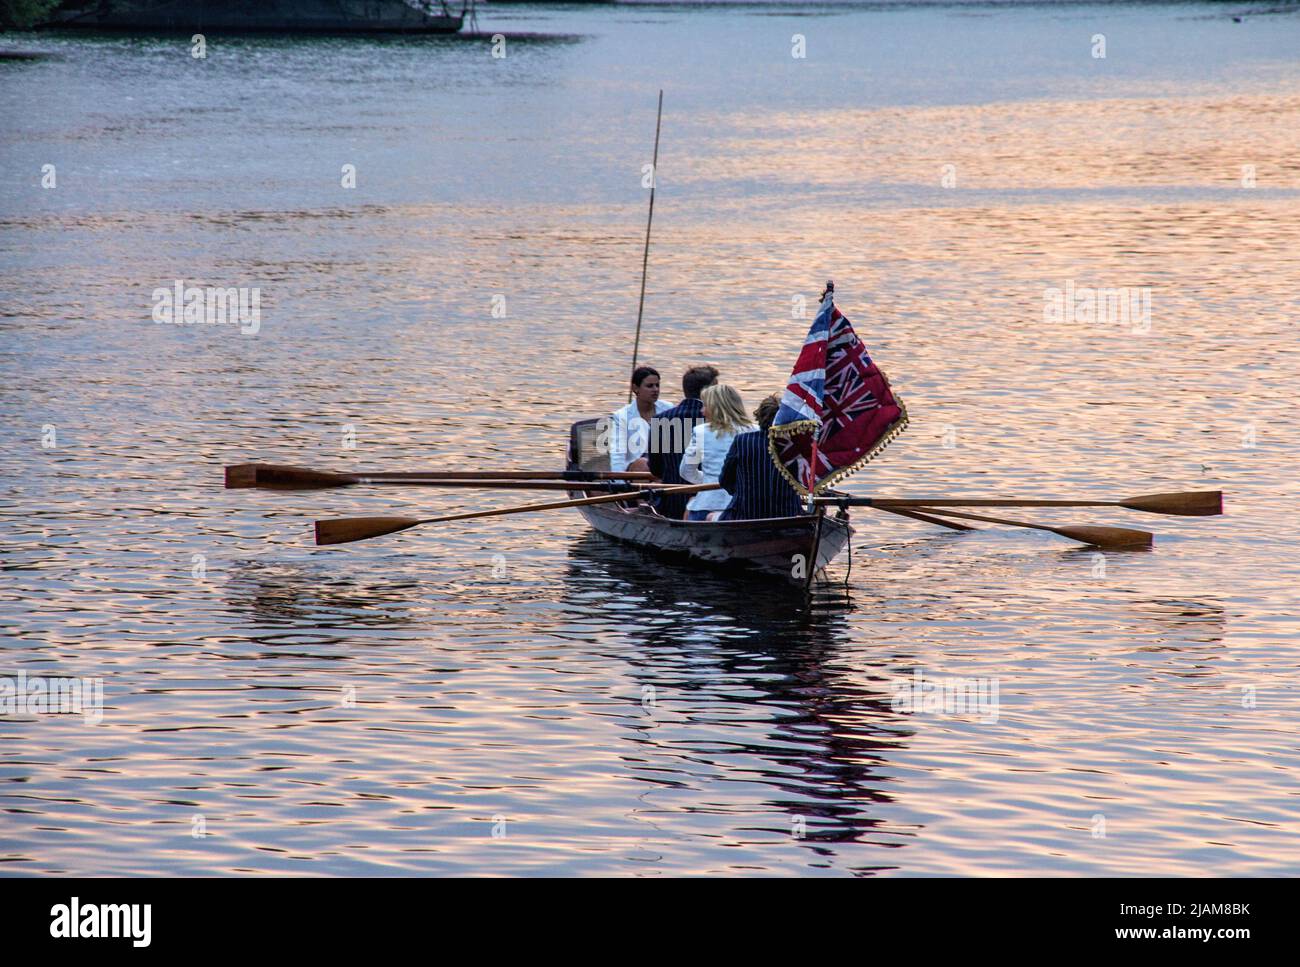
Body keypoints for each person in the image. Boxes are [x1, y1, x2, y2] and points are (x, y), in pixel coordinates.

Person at [717, 394, 807, 520]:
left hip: (745, 517)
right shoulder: (796, 446)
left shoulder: (742, 441)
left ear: (759, 417)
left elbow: (725, 480)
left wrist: (743, 493)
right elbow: (807, 483)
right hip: (788, 518)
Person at [647, 364, 719, 519]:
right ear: (710, 391)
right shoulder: (717, 422)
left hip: (672, 503)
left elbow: (656, 469)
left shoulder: (660, 420)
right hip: (708, 504)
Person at [678, 383, 755, 521]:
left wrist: (709, 479)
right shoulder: (756, 430)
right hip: (745, 507)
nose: (702, 411)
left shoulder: (701, 431)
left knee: (689, 509)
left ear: (716, 408)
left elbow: (686, 471)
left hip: (707, 505)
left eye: (705, 405)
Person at [607, 366, 673, 473]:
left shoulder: (669, 409)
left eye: (657, 385)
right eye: (649, 386)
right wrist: (618, 481)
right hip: (635, 469)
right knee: (643, 464)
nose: (655, 390)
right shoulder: (621, 416)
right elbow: (617, 454)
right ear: (635, 388)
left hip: (663, 466)